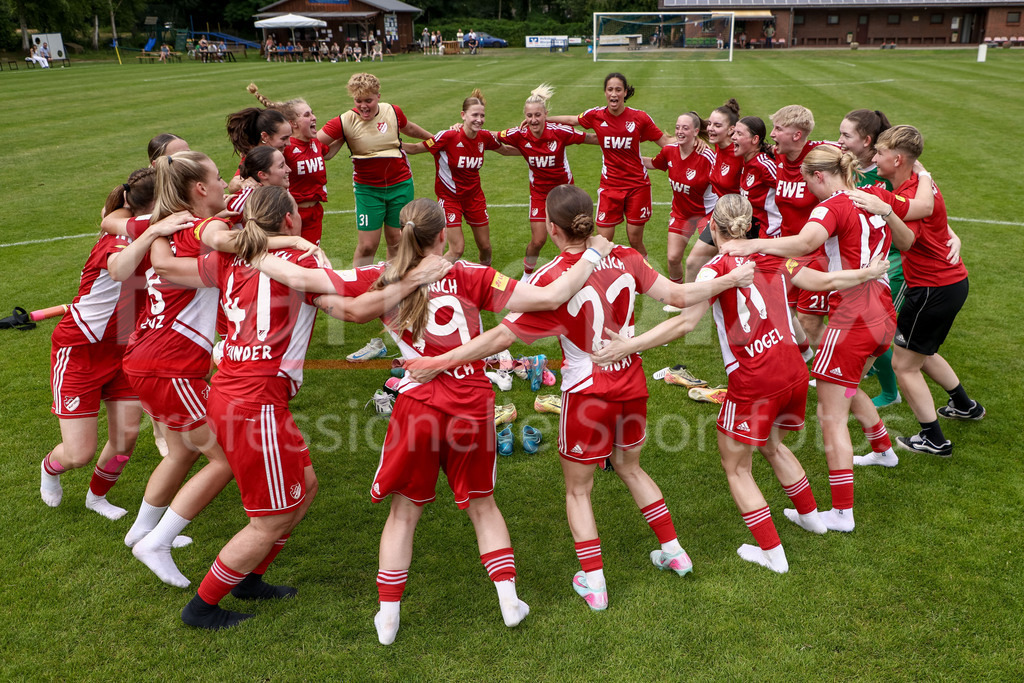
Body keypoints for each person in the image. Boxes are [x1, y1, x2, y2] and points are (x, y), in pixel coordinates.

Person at [251, 196, 614, 641]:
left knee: (404, 513)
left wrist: (251, 247)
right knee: (483, 506)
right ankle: (508, 601)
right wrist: (595, 251)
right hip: (472, 403)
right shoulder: (470, 273)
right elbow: (552, 295)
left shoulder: (381, 278)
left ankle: (387, 617)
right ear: (443, 234)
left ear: (401, 235)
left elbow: (302, 277)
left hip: (418, 406)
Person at [407, 185, 757, 610]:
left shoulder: (551, 277)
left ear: (552, 229)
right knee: (631, 468)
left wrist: (440, 363)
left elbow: (500, 336)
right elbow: (680, 296)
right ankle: (675, 551)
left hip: (586, 390)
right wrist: (732, 278)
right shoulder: (627, 256)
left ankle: (595, 584)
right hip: (631, 383)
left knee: (579, 491)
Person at [178, 186, 446, 629]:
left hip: (233, 389)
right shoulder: (303, 260)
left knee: (305, 487)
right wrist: (410, 279)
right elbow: (353, 310)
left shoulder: (230, 256)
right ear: (288, 221)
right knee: (272, 517)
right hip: (254, 401)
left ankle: (250, 577)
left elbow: (182, 260)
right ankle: (201, 607)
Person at [592, 194, 890, 572]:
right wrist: (867, 273)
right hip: (794, 369)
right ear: (750, 225)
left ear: (712, 227)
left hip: (755, 377)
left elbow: (684, 323)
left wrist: (629, 346)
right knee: (772, 444)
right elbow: (826, 280)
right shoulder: (776, 254)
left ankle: (772, 554)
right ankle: (812, 519)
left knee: (736, 466)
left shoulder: (714, 270)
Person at [723, 146, 908, 532]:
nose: (805, 190)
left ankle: (841, 514)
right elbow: (905, 242)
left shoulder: (830, 207)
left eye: (806, 181)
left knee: (830, 418)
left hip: (852, 318)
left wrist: (754, 244)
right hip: (883, 312)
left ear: (819, 176)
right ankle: (883, 449)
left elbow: (806, 243)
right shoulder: (874, 196)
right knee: (846, 386)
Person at [40, 169, 194, 519]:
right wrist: (154, 230)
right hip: (80, 348)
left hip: (126, 349)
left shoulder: (147, 231)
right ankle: (51, 469)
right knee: (78, 453)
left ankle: (96, 498)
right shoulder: (124, 237)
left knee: (124, 441)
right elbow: (118, 269)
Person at [849, 125, 982, 459]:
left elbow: (907, 240)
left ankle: (933, 439)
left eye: (879, 152)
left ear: (897, 158)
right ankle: (965, 405)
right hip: (949, 284)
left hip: (931, 289)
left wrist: (886, 211)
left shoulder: (910, 195)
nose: (874, 157)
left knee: (905, 364)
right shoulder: (917, 183)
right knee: (921, 352)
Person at [548, 73, 673, 256]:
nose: (614, 94)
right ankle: (606, 280)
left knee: (635, 239)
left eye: (618, 89)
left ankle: (645, 280)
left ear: (624, 93)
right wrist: (545, 119)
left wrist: (692, 142)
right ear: (605, 92)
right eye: (610, 89)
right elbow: (572, 120)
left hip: (637, 186)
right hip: (610, 186)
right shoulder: (596, 115)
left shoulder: (640, 118)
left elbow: (665, 142)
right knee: (603, 242)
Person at [318, 73, 434, 266]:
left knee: (397, 241)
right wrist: (341, 139)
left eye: (369, 100)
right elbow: (315, 145)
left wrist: (437, 140)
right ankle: (359, 286)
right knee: (367, 246)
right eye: (358, 101)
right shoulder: (344, 121)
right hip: (368, 190)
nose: (363, 106)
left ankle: (392, 285)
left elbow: (411, 129)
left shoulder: (393, 112)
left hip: (400, 185)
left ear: (378, 96)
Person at [404, 88, 517, 266]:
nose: (479, 120)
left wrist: (532, 150)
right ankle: (427, 280)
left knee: (486, 247)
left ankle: (483, 277)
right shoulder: (448, 137)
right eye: (475, 115)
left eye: (482, 115)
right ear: (463, 115)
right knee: (456, 249)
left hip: (474, 198)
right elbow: (417, 148)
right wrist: (391, 143)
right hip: (450, 199)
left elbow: (505, 150)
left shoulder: (484, 137)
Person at [498, 84, 596, 275]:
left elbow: (590, 138)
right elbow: (490, 136)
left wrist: (621, 135)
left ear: (545, 115)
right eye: (529, 116)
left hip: (564, 193)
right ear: (524, 117)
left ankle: (584, 272)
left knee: (577, 235)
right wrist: (461, 129)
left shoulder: (560, 132)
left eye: (538, 115)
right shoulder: (518, 134)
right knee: (538, 240)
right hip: (540, 194)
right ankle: (527, 275)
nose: (533, 120)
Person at [769, 105, 837, 353]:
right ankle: (807, 354)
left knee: (810, 320)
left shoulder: (822, 156)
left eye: (778, 128)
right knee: (781, 307)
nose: (772, 134)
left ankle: (833, 369)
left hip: (819, 253)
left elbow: (863, 154)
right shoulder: (778, 155)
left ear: (797, 135)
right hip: (790, 250)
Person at [248, 84, 334, 246]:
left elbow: (328, 152)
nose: (314, 117)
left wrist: (347, 132)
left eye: (312, 112)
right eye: (307, 115)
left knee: (310, 257)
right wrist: (242, 180)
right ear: (293, 123)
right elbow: (251, 166)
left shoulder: (315, 143)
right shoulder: (284, 147)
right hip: (291, 212)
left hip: (314, 212)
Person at [643, 111, 716, 287]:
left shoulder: (707, 157)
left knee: (702, 260)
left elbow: (724, 181)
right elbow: (653, 163)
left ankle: (705, 294)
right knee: (673, 258)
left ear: (696, 131)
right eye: (677, 127)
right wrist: (628, 158)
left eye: (685, 128)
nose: (680, 131)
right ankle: (677, 293)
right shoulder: (669, 151)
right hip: (681, 213)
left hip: (706, 214)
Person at [685, 99, 743, 283]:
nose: (710, 128)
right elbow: (693, 123)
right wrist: (695, 139)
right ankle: (686, 303)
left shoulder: (741, 153)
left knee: (730, 269)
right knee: (693, 262)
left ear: (732, 129)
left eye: (717, 125)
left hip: (739, 222)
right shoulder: (717, 144)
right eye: (710, 124)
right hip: (720, 217)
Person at [732, 116, 781, 239]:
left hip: (771, 235)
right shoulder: (746, 161)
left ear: (755, 139)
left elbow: (789, 191)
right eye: (734, 132)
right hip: (754, 231)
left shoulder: (764, 166)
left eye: (739, 133)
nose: (733, 137)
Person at [225, 105, 293, 194]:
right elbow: (233, 184)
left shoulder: (283, 149)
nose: (289, 143)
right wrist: (243, 182)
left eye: (290, 136)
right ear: (265, 136)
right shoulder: (258, 159)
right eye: (284, 138)